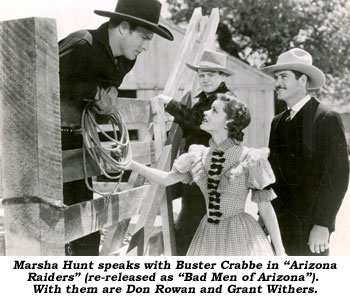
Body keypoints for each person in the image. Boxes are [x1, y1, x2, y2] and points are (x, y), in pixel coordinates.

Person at [59, 0, 173, 256]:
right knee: (53, 218)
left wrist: (107, 93)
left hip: (80, 139)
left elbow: (108, 89)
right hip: (50, 139)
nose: (145, 46)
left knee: (83, 222)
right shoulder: (81, 45)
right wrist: (94, 92)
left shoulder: (125, 60)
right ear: (123, 28)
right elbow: (44, 79)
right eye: (144, 37)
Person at [129, 93, 286, 256]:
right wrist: (131, 164)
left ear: (229, 123)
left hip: (240, 234)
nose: (206, 113)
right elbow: (166, 179)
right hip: (208, 233)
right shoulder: (198, 155)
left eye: (214, 111)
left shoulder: (249, 158)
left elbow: (266, 208)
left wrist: (280, 251)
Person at [261, 48, 349, 256]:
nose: (277, 83)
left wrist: (323, 224)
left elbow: (337, 177)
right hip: (279, 227)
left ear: (302, 81)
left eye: (283, 76)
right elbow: (271, 174)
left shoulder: (326, 118)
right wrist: (263, 216)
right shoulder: (278, 122)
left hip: (311, 229)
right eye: (276, 77)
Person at [156, 50, 234, 255]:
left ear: (223, 76)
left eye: (211, 74)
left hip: (212, 174)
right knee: (192, 228)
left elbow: (199, 123)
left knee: (194, 231)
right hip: (199, 172)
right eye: (202, 74)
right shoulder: (203, 100)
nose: (205, 78)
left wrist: (171, 104)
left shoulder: (225, 100)